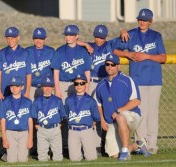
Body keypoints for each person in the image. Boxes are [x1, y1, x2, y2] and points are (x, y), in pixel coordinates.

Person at [114, 8, 167, 154]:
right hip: (137, 79)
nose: (142, 22)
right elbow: (113, 49)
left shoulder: (156, 36)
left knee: (152, 113)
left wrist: (147, 56)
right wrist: (128, 53)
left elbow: (163, 58)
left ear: (150, 22)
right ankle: (141, 145)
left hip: (154, 79)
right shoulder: (130, 34)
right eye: (140, 19)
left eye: (145, 20)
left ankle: (152, 145)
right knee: (141, 113)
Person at [95, 54, 150, 160]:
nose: (109, 67)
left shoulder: (127, 80)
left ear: (118, 66)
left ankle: (125, 151)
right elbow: (99, 105)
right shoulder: (100, 85)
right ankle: (137, 145)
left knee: (120, 117)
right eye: (107, 64)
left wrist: (119, 110)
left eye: (113, 64)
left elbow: (136, 101)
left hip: (131, 117)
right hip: (112, 122)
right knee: (114, 155)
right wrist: (102, 120)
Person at [77, 24, 119, 155]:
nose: (98, 40)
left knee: (107, 112)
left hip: (107, 82)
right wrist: (85, 44)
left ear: (106, 37)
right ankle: (95, 146)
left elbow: (124, 40)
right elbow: (72, 41)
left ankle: (107, 145)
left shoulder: (110, 45)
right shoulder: (91, 46)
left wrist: (123, 30)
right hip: (93, 82)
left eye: (101, 37)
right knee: (94, 112)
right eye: (96, 37)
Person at [50, 24, 91, 155]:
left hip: (79, 85)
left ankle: (82, 145)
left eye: (71, 35)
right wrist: (57, 89)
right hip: (63, 83)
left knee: (79, 113)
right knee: (63, 115)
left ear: (76, 36)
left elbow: (87, 71)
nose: (68, 37)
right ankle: (64, 145)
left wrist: (87, 87)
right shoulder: (60, 51)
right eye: (66, 35)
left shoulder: (82, 51)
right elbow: (56, 72)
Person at [65, 74, 100, 161]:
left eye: (81, 83)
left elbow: (96, 117)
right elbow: (66, 115)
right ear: (74, 85)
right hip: (73, 131)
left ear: (86, 84)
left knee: (91, 158)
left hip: (86, 130)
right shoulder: (68, 100)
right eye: (76, 84)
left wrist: (92, 124)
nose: (79, 86)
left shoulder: (91, 101)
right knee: (74, 159)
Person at [32, 75, 66, 161]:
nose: (47, 89)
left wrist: (59, 126)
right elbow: (34, 116)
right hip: (42, 129)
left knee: (58, 158)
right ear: (42, 87)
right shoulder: (37, 101)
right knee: (42, 158)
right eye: (45, 86)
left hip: (55, 129)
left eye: (50, 86)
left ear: (53, 87)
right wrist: (37, 125)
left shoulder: (58, 100)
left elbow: (63, 115)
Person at [1, 76, 34, 163]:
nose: (14, 88)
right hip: (10, 132)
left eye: (17, 86)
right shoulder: (5, 101)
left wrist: (30, 137)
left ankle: (6, 155)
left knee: (22, 160)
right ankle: (5, 155)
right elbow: (3, 120)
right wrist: (4, 137)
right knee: (12, 161)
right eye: (12, 86)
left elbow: (30, 121)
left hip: (24, 132)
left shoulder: (28, 102)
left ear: (22, 87)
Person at [0, 27, 32, 99]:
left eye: (12, 38)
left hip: (21, 91)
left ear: (18, 38)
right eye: (8, 38)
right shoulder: (2, 53)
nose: (10, 41)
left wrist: (27, 92)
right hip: (5, 91)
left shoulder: (25, 53)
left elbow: (29, 75)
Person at [26, 27, 55, 100]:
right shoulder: (27, 51)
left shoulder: (51, 51)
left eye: (41, 39)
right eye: (36, 38)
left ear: (45, 39)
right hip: (31, 87)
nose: (38, 41)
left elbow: (55, 70)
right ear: (33, 39)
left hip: (46, 87)